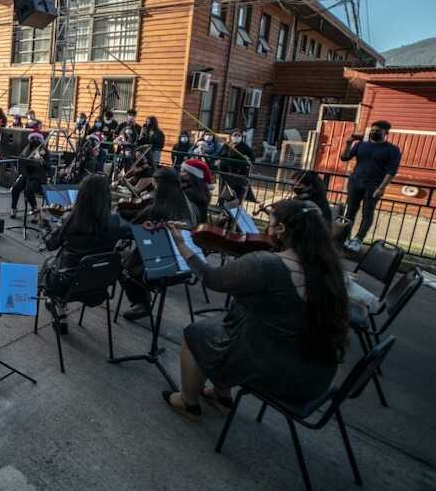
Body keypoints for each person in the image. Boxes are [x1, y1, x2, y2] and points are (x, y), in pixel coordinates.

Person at [161, 199, 349, 422]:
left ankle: (188, 403)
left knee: (196, 333)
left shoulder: (266, 264)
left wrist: (181, 244)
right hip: (316, 377)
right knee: (232, 324)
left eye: (269, 224)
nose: (265, 231)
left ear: (281, 229)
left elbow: (211, 278)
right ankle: (221, 396)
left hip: (280, 373)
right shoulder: (332, 270)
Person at [40, 174, 134, 333]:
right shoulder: (115, 222)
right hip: (97, 288)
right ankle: (58, 304)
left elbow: (50, 244)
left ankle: (58, 305)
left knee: (48, 264)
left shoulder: (70, 219)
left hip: (65, 285)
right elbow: (132, 233)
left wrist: (44, 221)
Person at [118, 168, 200, 320]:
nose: (153, 188)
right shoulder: (190, 207)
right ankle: (143, 297)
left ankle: (141, 302)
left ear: (161, 186)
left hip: (158, 267)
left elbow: (132, 228)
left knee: (120, 262)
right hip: (185, 267)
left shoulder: (157, 209)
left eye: (155, 184)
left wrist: (119, 212)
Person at [339, 120, 402, 252]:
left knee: (367, 213)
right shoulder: (360, 144)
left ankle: (358, 240)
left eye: (378, 131)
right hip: (355, 182)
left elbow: (392, 171)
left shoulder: (392, 150)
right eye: (372, 130)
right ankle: (345, 237)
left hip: (373, 186)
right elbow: (344, 158)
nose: (374, 133)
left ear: (386, 133)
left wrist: (381, 188)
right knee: (350, 211)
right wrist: (348, 143)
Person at [10, 131, 49, 220]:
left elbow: (48, 166)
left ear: (40, 140)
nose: (35, 140)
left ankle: (36, 211)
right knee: (16, 188)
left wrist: (42, 162)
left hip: (38, 176)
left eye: (37, 138)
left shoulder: (44, 150)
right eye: (33, 138)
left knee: (29, 191)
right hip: (27, 173)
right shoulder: (27, 149)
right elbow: (21, 159)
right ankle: (13, 208)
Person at [218, 129, 254, 203]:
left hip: (238, 173)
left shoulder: (244, 147)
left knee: (236, 193)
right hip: (225, 172)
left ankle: (235, 207)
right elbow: (220, 154)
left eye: (239, 135)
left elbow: (252, 159)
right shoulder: (227, 145)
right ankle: (222, 204)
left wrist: (247, 159)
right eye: (235, 135)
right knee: (224, 191)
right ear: (231, 136)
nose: (237, 137)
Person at [180, 158, 213, 222]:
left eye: (183, 171)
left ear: (192, 175)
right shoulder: (202, 189)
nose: (181, 174)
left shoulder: (189, 193)